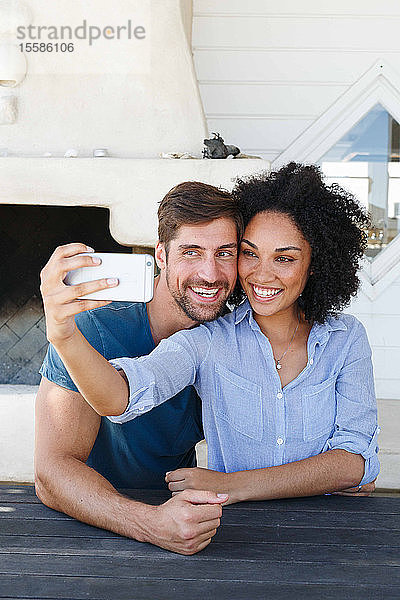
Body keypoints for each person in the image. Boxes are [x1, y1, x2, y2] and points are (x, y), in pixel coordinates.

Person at [42, 163, 379, 508]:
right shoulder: (208, 340)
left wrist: (233, 485)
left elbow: (355, 463)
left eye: (284, 258)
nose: (262, 274)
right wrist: (62, 333)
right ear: (161, 255)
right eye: (249, 253)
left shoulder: (345, 338)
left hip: (322, 527)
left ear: (314, 263)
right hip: (211, 528)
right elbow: (120, 397)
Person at [36, 181, 242, 555]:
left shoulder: (234, 340)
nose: (210, 274)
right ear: (161, 255)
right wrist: (148, 523)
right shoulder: (92, 327)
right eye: (191, 252)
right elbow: (51, 472)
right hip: (88, 521)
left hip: (184, 519)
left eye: (224, 253)